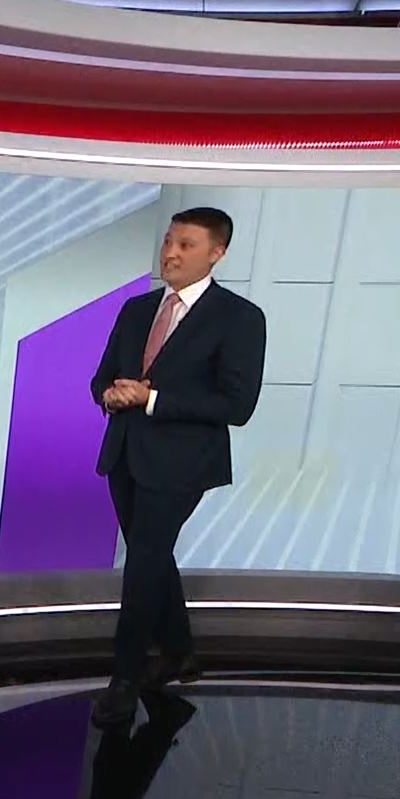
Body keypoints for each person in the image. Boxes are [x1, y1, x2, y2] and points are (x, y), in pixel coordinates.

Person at [88, 207, 265, 728]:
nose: (170, 253)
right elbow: (102, 376)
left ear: (217, 253)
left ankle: (124, 680)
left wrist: (151, 399)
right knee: (153, 556)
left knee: (143, 562)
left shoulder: (239, 318)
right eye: (168, 241)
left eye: (185, 245)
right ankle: (180, 651)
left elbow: (237, 405)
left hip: (182, 463)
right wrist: (110, 394)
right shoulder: (137, 309)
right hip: (124, 452)